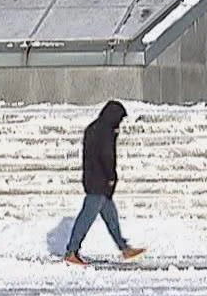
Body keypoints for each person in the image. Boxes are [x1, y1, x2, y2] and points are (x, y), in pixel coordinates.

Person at [63, 100, 147, 265]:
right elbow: (107, 156)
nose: (120, 124)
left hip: (92, 179)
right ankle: (71, 251)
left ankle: (124, 248)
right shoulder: (106, 131)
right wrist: (111, 177)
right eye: (120, 119)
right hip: (99, 182)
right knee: (86, 217)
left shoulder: (93, 128)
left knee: (111, 217)